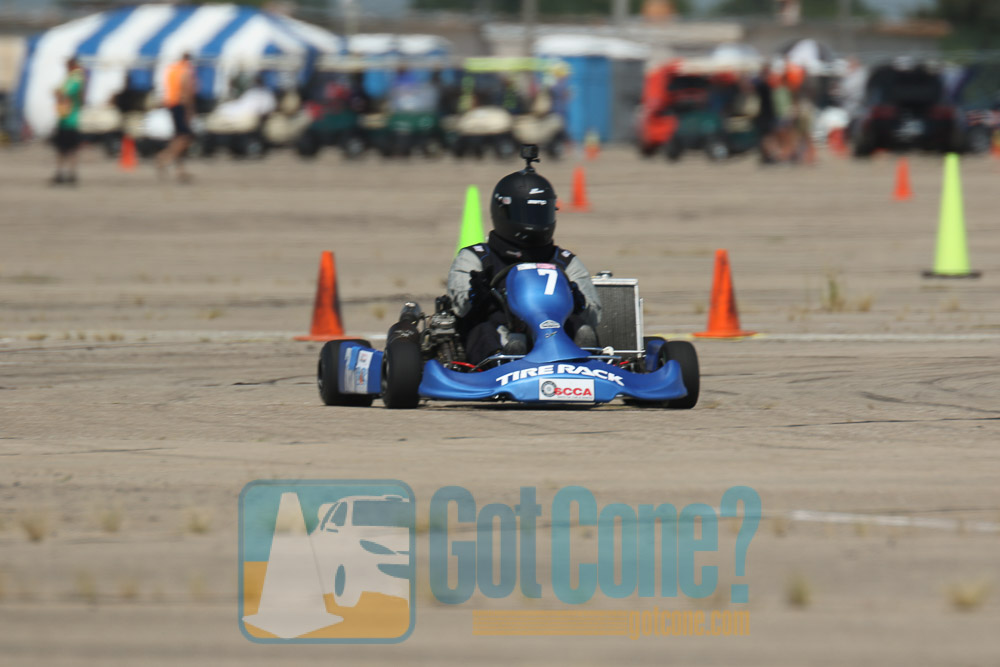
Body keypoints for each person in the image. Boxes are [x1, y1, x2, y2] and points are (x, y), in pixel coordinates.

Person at [447, 149, 601, 364]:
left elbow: (595, 317)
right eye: (528, 214)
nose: (535, 222)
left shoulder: (564, 261)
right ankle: (503, 358)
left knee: (577, 325)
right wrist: (477, 297)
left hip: (555, 334)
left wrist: (579, 302)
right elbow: (460, 309)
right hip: (500, 332)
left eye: (541, 214)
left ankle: (583, 357)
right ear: (503, 212)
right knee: (483, 328)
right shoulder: (477, 258)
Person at [157, 52, 195, 181]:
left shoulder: (172, 69)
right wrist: (190, 110)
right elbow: (186, 91)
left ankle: (180, 170)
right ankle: (164, 158)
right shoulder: (185, 70)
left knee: (179, 136)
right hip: (180, 105)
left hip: (172, 104)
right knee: (185, 137)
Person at [52, 57, 86, 185]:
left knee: (64, 150)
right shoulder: (76, 78)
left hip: (69, 120)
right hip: (69, 119)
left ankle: (63, 174)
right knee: (70, 150)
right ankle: (69, 174)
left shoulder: (74, 78)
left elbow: (63, 93)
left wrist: (57, 93)